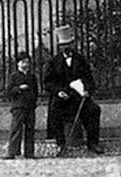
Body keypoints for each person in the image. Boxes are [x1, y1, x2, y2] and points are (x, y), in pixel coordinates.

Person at [44, 25, 103, 156]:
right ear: (59, 46)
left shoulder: (81, 59)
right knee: (54, 112)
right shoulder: (53, 62)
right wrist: (59, 92)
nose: (67, 47)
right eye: (64, 44)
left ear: (73, 43)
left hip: (79, 97)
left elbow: (88, 78)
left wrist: (87, 90)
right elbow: (48, 82)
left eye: (69, 43)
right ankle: (61, 144)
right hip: (63, 98)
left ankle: (93, 143)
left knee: (94, 110)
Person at [6, 52, 39, 160]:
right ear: (18, 64)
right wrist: (19, 88)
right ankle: (13, 152)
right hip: (18, 106)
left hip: (29, 106)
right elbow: (9, 91)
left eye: (27, 62)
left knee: (30, 129)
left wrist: (34, 102)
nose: (26, 64)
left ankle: (29, 153)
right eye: (23, 62)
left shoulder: (32, 77)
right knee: (16, 129)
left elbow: (36, 91)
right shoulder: (14, 76)